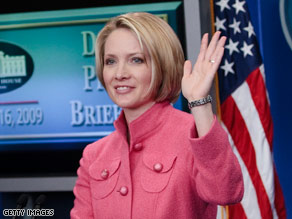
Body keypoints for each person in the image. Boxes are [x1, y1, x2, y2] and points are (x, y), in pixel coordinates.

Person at [70, 12, 243, 219]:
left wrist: (199, 102)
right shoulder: (94, 155)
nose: (120, 74)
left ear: (162, 65)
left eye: (136, 60)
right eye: (110, 61)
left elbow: (226, 192)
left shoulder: (194, 133)